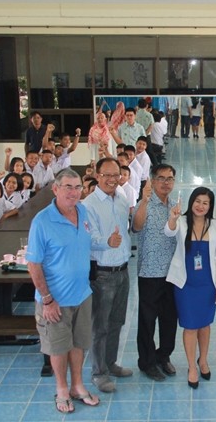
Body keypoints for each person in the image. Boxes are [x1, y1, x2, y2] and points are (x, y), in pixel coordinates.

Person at [27, 168, 99, 414]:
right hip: (55, 300)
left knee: (78, 344)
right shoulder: (42, 221)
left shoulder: (82, 211)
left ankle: (78, 385)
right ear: (55, 189)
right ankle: (62, 389)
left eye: (78, 187)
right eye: (68, 187)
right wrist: (47, 300)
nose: (74, 192)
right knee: (58, 347)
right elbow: (33, 264)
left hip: (82, 294)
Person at [165, 187, 216, 388]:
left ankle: (203, 360)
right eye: (197, 201)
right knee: (190, 325)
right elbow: (168, 231)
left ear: (210, 206)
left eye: (205, 203)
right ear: (191, 202)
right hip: (185, 284)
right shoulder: (181, 222)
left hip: (207, 284)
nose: (201, 206)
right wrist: (173, 218)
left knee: (205, 324)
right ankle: (192, 366)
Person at [82, 158, 133, 393]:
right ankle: (98, 373)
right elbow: (87, 239)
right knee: (100, 326)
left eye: (116, 175)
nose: (112, 179)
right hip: (102, 274)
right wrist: (107, 242)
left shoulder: (121, 199)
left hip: (123, 270)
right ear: (97, 175)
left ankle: (111, 363)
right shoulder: (88, 205)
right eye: (107, 175)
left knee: (117, 322)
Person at [132, 164, 178, 381]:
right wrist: (143, 200)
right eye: (161, 178)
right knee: (147, 321)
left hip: (173, 274)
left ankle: (163, 356)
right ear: (153, 180)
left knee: (169, 320)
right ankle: (147, 362)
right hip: (150, 273)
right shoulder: (145, 204)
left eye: (170, 178)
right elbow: (136, 226)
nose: (165, 182)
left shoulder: (175, 206)